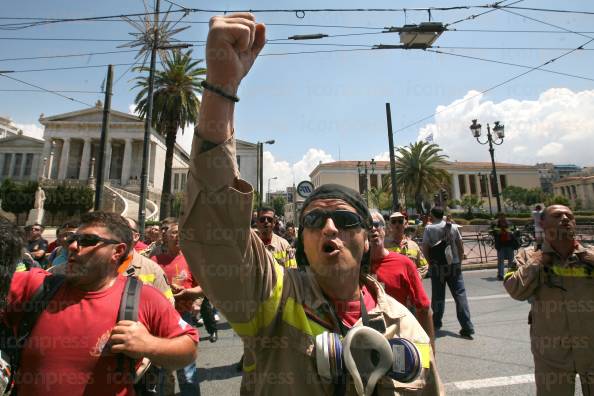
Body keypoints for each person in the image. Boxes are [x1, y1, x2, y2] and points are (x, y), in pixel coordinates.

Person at [180, 13, 443, 395]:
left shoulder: (406, 327)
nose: (330, 227)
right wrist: (222, 85)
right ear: (302, 241)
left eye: (343, 219)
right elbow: (214, 216)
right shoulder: (271, 297)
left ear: (369, 238)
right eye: (315, 219)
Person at [3, 211, 198, 395]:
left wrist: (149, 345)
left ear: (117, 251)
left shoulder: (144, 298)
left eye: (88, 241)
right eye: (73, 239)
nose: (72, 246)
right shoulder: (36, 285)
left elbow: (188, 347)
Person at [504, 205, 594, 395]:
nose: (565, 218)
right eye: (557, 215)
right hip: (552, 353)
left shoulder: (590, 255)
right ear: (542, 223)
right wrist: (538, 261)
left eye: (569, 216)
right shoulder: (528, 256)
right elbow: (514, 290)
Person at [151, 221, 208, 395]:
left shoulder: (192, 259)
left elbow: (203, 288)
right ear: (165, 236)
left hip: (184, 318)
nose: (178, 236)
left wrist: (187, 293)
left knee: (187, 370)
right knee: (162, 372)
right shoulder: (154, 261)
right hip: (159, 323)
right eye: (174, 232)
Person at [368, 211, 435, 352]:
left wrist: (428, 356)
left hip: (399, 341)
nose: (372, 229)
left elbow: (424, 310)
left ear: (384, 229)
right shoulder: (353, 267)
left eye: (376, 225)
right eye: (367, 225)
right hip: (366, 344)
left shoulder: (406, 259)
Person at [421, 207, 474, 340]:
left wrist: (430, 263)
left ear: (432, 215)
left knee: (438, 296)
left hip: (437, 267)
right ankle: (467, 326)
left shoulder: (429, 229)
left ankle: (436, 322)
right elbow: (460, 245)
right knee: (460, 295)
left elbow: (425, 248)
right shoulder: (453, 227)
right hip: (454, 265)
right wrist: (459, 261)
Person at [385, 212, 429, 279]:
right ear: (390, 225)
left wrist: (416, 276)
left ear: (405, 224)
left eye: (400, 221)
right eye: (394, 222)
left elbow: (424, 265)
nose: (397, 224)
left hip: (411, 287)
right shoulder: (384, 247)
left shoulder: (413, 245)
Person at [490, 212, 518, 281]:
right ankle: (500, 275)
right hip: (500, 245)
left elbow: (515, 231)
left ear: (505, 216)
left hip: (509, 244)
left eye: (503, 216)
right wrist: (499, 232)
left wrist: (511, 233)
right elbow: (492, 232)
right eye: (500, 216)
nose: (502, 218)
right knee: (500, 261)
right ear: (498, 217)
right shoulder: (495, 224)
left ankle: (511, 274)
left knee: (511, 260)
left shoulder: (510, 224)